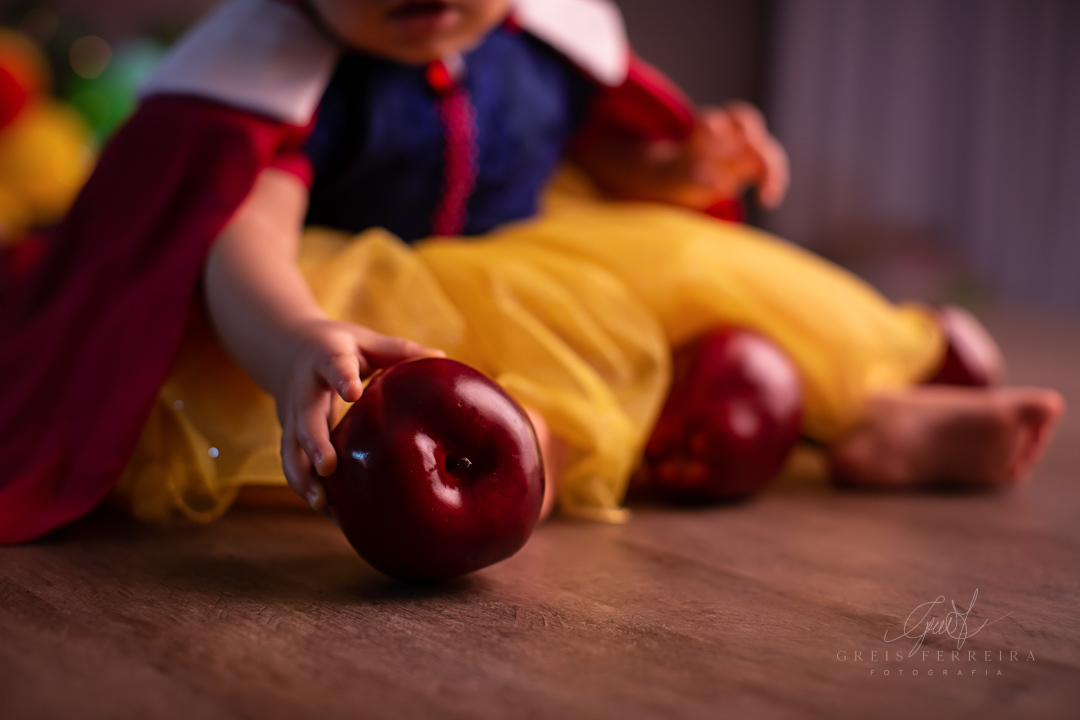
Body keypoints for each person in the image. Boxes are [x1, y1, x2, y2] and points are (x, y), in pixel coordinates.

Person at [0, 0, 1062, 541]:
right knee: (415, 347)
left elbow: (607, 151)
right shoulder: (284, 72)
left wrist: (682, 163)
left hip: (538, 250)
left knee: (707, 264)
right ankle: (534, 445)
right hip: (369, 285)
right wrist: (291, 343)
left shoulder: (535, 39)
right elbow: (242, 238)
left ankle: (869, 408)